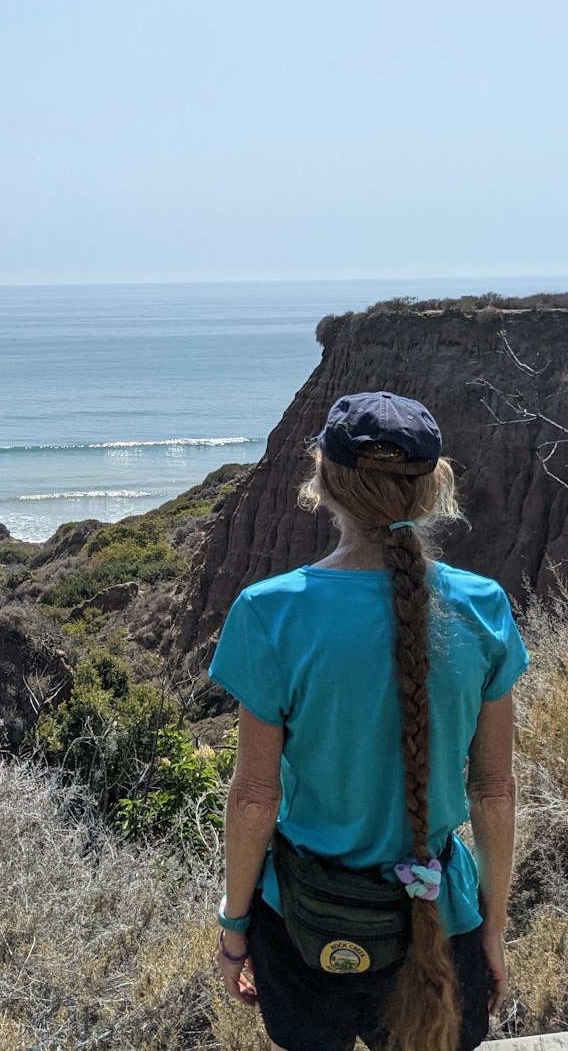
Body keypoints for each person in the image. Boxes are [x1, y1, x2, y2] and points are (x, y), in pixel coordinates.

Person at [208, 392, 526, 1051]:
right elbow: (493, 791)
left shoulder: (270, 613)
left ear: (323, 481)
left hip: (300, 922)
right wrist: (492, 927)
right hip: (443, 919)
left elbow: (255, 796)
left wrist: (235, 926)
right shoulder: (483, 607)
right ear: (435, 486)